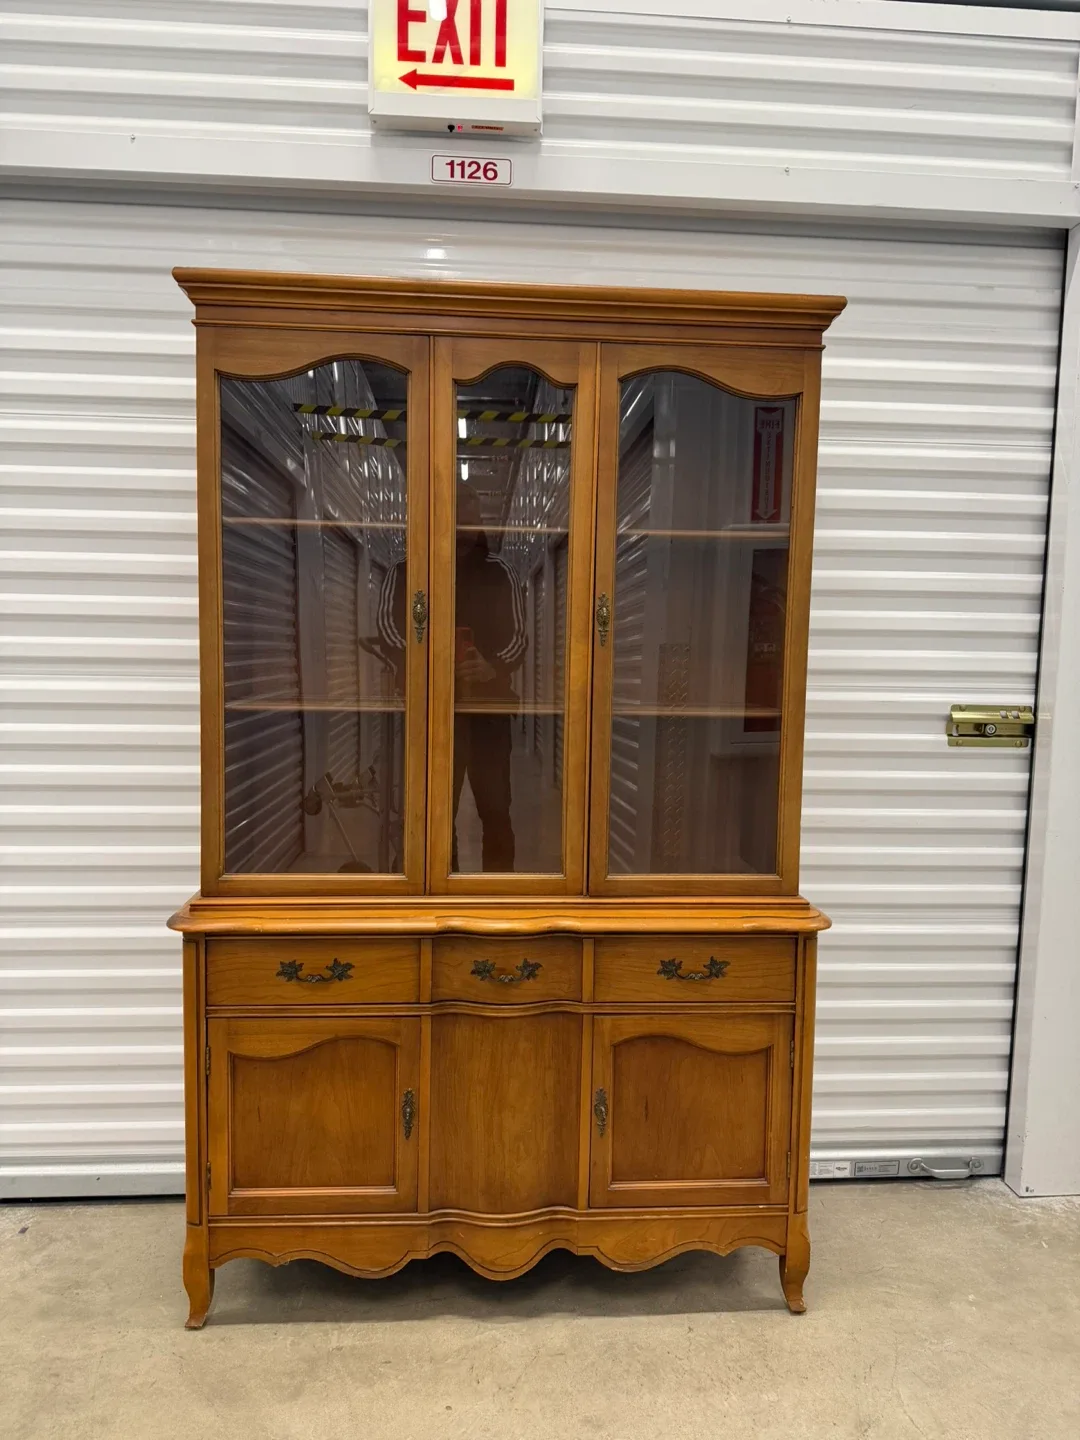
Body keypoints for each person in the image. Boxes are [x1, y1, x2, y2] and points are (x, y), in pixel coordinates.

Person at [378, 481, 527, 871]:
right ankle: (445, 893)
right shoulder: (406, 571)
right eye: (454, 509)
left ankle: (499, 897)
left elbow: (519, 638)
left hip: (488, 715)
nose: (462, 518)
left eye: (469, 508)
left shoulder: (500, 573)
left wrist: (492, 667)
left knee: (496, 813)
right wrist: (428, 665)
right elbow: (389, 631)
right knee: (436, 815)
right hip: (431, 716)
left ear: (478, 518)